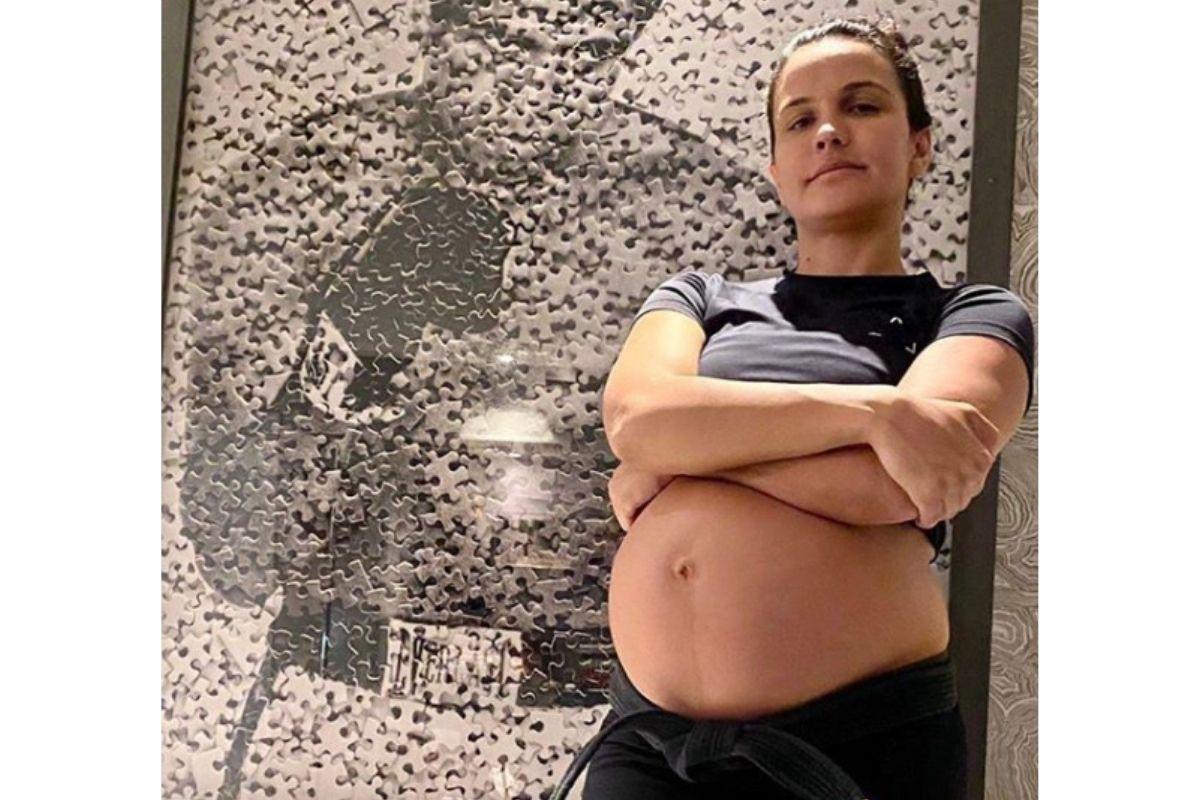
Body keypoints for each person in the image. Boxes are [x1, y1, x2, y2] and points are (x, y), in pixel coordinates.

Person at [548, 13, 1035, 800]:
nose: (829, 131)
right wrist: (874, 416)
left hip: (857, 744)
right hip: (651, 746)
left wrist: (690, 461)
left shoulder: (972, 314)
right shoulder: (698, 298)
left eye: (862, 105)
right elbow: (637, 421)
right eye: (800, 120)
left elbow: (895, 486)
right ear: (776, 168)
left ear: (920, 144)